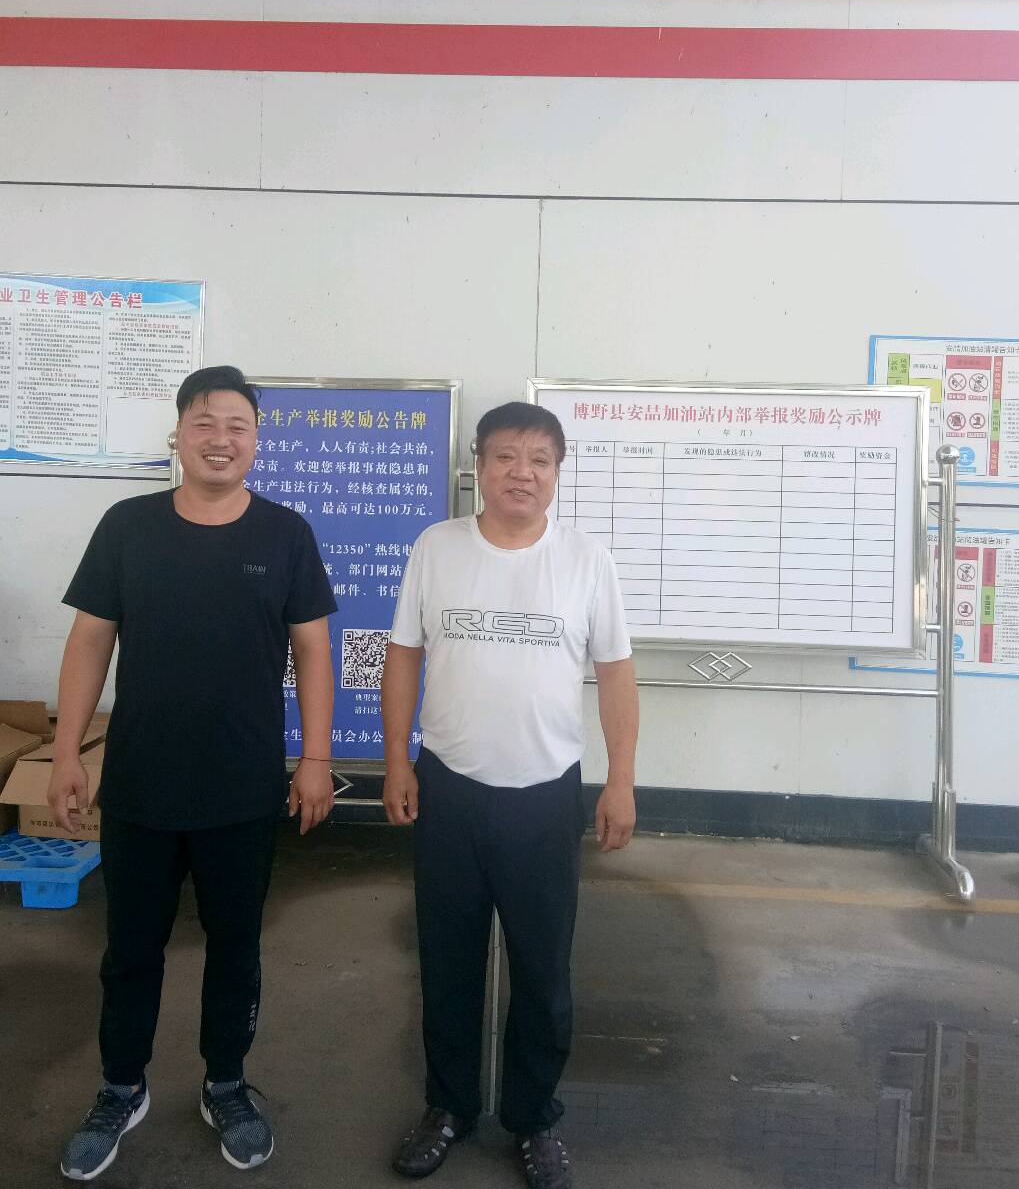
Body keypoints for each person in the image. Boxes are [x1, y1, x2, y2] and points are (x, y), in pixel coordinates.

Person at [49, 365, 338, 1181]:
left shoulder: (285, 534)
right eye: (205, 423)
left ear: (257, 441)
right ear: (177, 435)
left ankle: (226, 1084)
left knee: (236, 948)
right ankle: (120, 1087)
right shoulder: (127, 526)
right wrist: (67, 752)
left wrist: (316, 760)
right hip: (140, 784)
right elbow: (89, 642)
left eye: (238, 425)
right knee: (129, 949)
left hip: (243, 788)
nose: (221, 439)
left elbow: (315, 651)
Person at [381, 401, 639, 1189]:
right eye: (504, 457)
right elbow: (403, 655)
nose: (520, 473)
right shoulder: (437, 547)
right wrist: (396, 762)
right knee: (448, 964)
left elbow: (617, 676)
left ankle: (533, 1119)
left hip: (544, 794)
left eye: (538, 460)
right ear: (478, 466)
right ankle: (448, 1107)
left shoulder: (587, 559)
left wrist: (620, 780)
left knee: (542, 973)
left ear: (557, 472)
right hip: (449, 787)